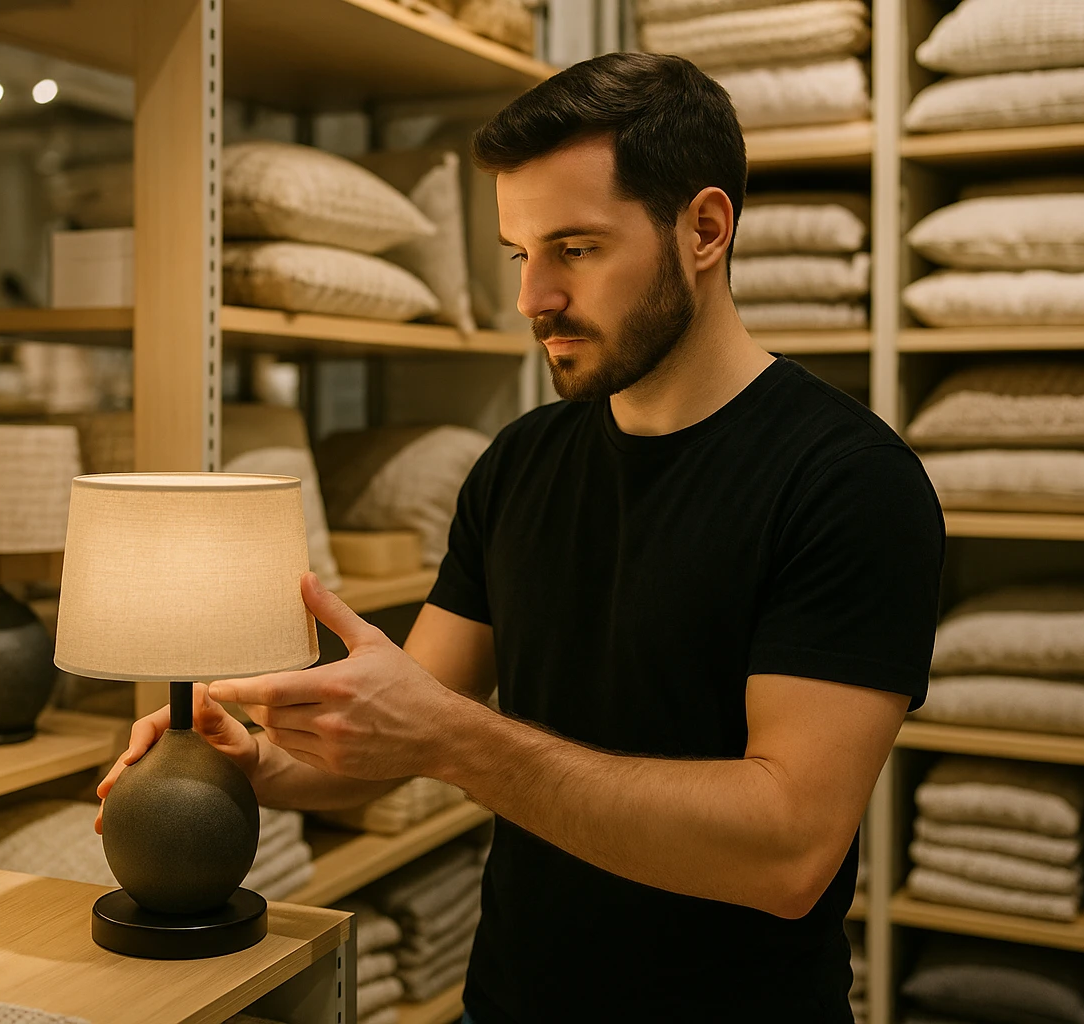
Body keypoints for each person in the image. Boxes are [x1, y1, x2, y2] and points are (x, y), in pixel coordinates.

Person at [97, 51, 944, 1021]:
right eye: (519, 254)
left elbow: (787, 849)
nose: (531, 297)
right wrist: (259, 759)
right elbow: (405, 732)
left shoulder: (848, 482)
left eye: (574, 248)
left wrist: (454, 737)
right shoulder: (519, 462)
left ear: (705, 229)